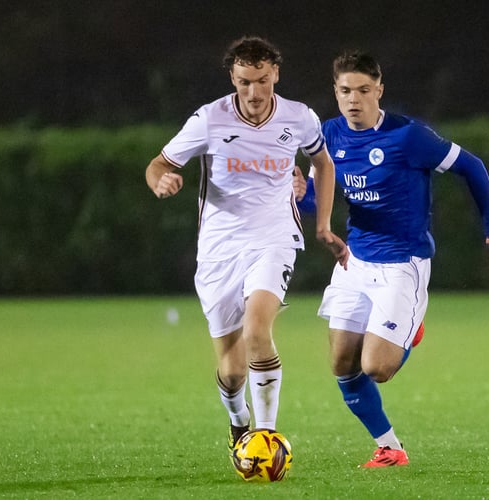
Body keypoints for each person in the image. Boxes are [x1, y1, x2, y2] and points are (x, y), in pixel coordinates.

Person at [295, 50, 489, 467]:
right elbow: (318, 200)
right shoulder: (329, 136)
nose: (353, 99)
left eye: (362, 90)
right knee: (342, 363)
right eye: (344, 91)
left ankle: (410, 331)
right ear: (335, 93)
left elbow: (473, 166)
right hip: (354, 262)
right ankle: (390, 447)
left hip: (401, 265)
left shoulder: (408, 137)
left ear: (379, 90)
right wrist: (301, 194)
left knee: (376, 367)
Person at [145, 36, 348, 458]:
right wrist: (160, 181)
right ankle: (239, 423)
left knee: (258, 330)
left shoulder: (298, 117)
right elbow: (159, 163)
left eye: (261, 81)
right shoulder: (209, 120)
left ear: (275, 73)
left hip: (273, 239)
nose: (254, 93)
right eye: (243, 83)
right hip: (219, 250)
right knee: (232, 370)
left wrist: (323, 221)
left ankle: (267, 438)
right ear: (232, 78)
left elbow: (323, 162)